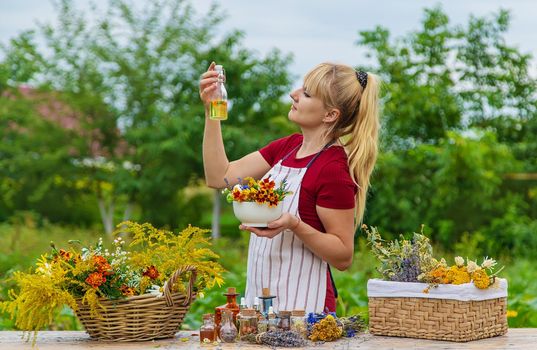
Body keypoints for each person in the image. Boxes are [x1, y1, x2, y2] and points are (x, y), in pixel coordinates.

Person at [199, 62, 380, 313]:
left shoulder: (333, 169)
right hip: (262, 302)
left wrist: (293, 224)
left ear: (330, 115)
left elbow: (343, 255)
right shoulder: (288, 147)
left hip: (305, 309)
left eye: (306, 93)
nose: (293, 94)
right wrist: (212, 111)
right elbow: (221, 177)